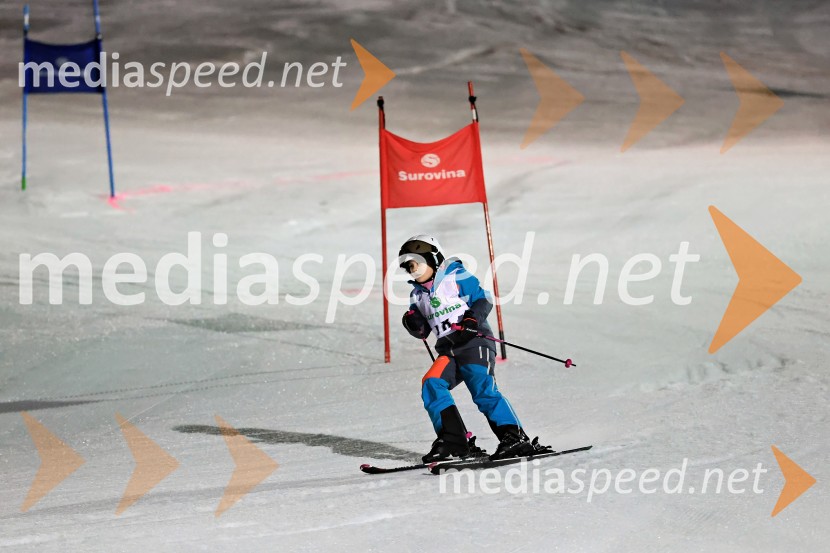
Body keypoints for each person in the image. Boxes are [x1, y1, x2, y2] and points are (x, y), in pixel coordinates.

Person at [398, 234, 549, 463]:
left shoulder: (455, 275)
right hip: (447, 350)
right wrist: (412, 323)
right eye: (408, 268)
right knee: (432, 383)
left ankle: (514, 437)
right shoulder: (417, 294)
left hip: (473, 342)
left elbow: (483, 298)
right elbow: (422, 331)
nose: (412, 271)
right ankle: (453, 442)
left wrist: (471, 320)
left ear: (432, 258)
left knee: (481, 388)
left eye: (415, 264)